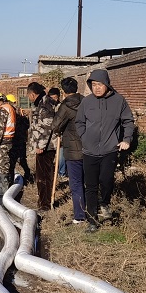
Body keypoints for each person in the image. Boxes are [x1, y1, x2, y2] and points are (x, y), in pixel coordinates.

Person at [75, 69, 135, 232]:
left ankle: (104, 202)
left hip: (109, 150)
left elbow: (128, 121)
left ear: (107, 84)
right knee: (90, 186)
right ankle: (92, 220)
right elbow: (79, 122)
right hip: (89, 151)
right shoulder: (87, 102)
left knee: (106, 180)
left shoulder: (119, 101)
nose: (97, 88)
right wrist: (84, 137)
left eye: (100, 84)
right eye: (94, 85)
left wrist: (126, 139)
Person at [51, 77, 85, 224]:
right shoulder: (86, 102)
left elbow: (55, 125)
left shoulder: (65, 106)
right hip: (90, 148)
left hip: (73, 150)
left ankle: (80, 215)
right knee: (89, 182)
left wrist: (60, 129)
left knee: (76, 183)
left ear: (63, 91)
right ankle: (92, 210)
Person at [26, 82, 56, 213]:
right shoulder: (41, 103)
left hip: (46, 147)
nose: (29, 98)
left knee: (43, 176)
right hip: (43, 145)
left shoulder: (45, 105)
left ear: (33, 94)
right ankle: (43, 201)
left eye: (29, 96)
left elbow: (46, 127)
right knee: (41, 175)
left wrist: (40, 146)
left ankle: (45, 205)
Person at [6, 94, 32, 184]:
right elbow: (27, 125)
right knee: (22, 160)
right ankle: (28, 175)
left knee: (12, 162)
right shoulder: (21, 111)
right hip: (22, 140)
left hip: (14, 140)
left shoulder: (10, 111)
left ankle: (11, 181)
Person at [48, 87, 66, 178]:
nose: (54, 100)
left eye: (55, 97)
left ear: (58, 97)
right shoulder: (47, 107)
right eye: (52, 98)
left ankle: (61, 173)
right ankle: (51, 173)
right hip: (50, 136)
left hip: (59, 135)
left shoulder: (61, 107)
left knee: (61, 156)